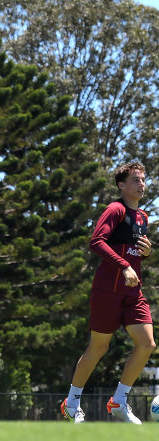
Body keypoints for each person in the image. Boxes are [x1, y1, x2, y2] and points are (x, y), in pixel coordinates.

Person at [62, 162, 155, 424]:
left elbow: (134, 253)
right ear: (121, 185)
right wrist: (124, 265)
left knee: (147, 344)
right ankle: (71, 403)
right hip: (108, 290)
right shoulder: (115, 209)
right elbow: (96, 241)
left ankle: (118, 401)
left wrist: (146, 253)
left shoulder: (143, 217)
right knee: (99, 347)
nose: (141, 184)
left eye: (143, 179)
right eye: (135, 180)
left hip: (133, 293)